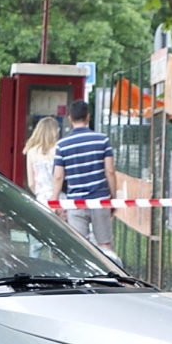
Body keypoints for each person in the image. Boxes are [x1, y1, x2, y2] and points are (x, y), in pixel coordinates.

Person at [53, 100, 113, 248]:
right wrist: (113, 196)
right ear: (88, 117)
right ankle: (108, 270)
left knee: (79, 246)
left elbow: (58, 176)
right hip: (100, 199)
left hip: (75, 202)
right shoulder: (103, 140)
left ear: (70, 119)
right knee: (104, 243)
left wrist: (55, 200)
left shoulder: (62, 145)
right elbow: (110, 171)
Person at [22, 114, 61, 201]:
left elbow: (31, 183)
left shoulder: (31, 151)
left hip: (41, 196)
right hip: (58, 196)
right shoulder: (58, 149)